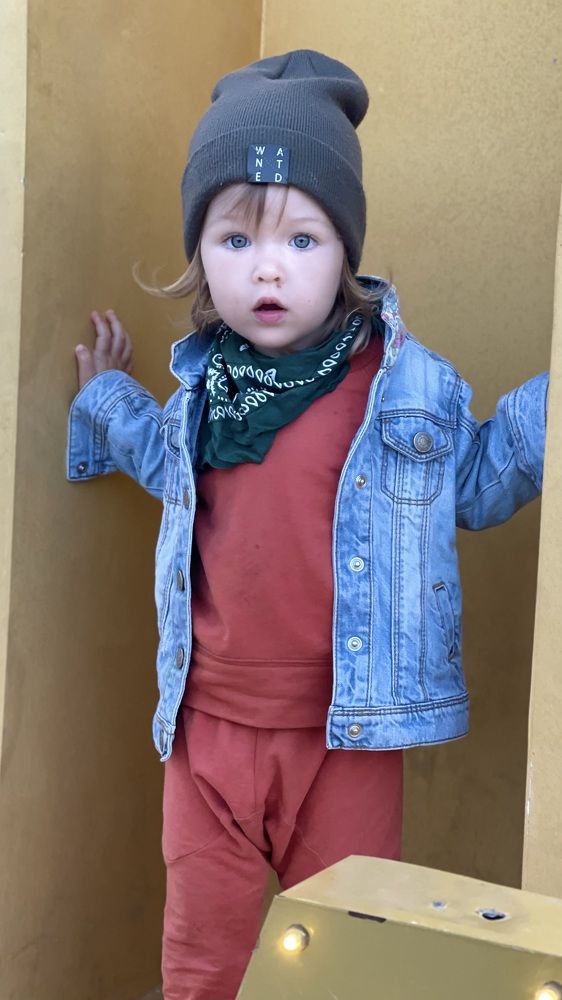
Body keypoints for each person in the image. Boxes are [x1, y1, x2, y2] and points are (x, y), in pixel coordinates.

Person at [67, 49, 548, 1000]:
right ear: (200, 258)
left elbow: (479, 480)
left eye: (302, 237)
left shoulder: (402, 388)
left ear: (346, 253)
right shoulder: (206, 393)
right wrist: (108, 396)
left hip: (347, 741)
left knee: (345, 963)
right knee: (203, 959)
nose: (268, 267)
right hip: (206, 738)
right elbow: (162, 461)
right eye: (234, 239)